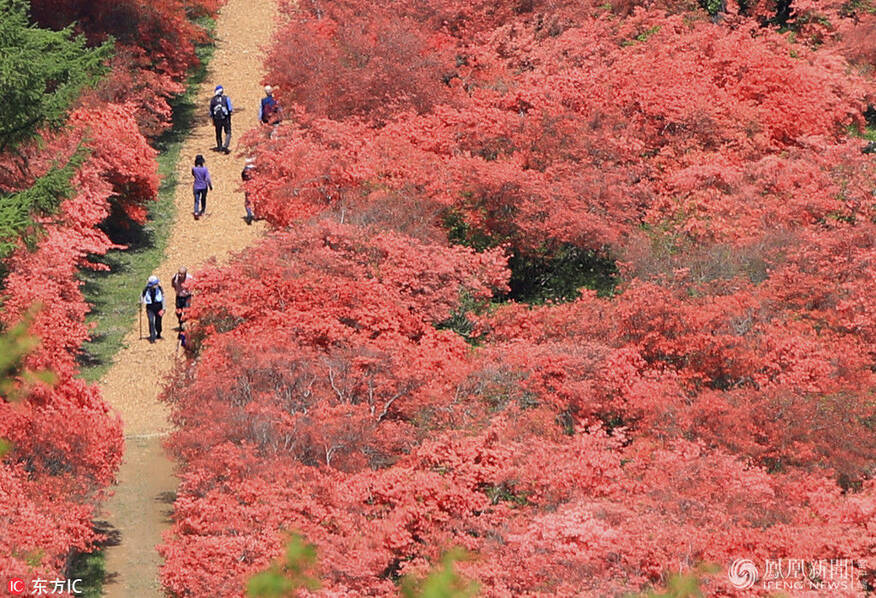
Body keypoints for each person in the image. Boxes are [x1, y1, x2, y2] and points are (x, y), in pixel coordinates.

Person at [210, 85, 233, 153]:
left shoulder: (213, 100)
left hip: (217, 119)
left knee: (218, 133)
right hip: (226, 119)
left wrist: (213, 119)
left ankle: (219, 147)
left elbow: (211, 111)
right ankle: (225, 145)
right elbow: (230, 109)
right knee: (228, 132)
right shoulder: (226, 98)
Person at [142, 275, 165, 343]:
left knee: (158, 321)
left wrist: (164, 308)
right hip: (150, 307)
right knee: (151, 321)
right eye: (154, 284)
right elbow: (142, 296)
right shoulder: (146, 289)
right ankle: (152, 335)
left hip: (159, 307)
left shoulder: (160, 289)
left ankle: (158, 332)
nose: (156, 285)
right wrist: (140, 302)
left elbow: (163, 298)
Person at [192, 155, 213, 219]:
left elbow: (193, 174)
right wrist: (210, 186)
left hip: (196, 186)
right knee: (203, 199)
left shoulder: (194, 169)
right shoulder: (205, 169)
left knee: (196, 200)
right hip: (204, 186)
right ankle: (203, 211)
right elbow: (208, 179)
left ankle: (196, 212)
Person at [241, 157, 256, 224]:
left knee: (247, 201)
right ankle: (257, 213)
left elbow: (243, 178)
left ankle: (249, 213)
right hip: (256, 186)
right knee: (256, 200)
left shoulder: (245, 171)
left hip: (248, 186)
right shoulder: (256, 171)